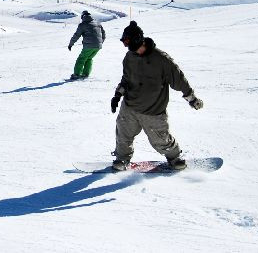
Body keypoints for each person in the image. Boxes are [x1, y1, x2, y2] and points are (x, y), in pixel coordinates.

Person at [109, 21, 204, 171]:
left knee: (161, 140)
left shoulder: (161, 59)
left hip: (153, 110)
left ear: (136, 39)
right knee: (123, 135)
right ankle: (122, 159)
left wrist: (192, 99)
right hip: (130, 106)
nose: (126, 46)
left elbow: (178, 79)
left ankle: (174, 158)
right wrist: (117, 95)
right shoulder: (129, 57)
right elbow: (126, 79)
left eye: (127, 41)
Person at [67, 10, 106, 79]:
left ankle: (76, 74)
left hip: (89, 46)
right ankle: (85, 74)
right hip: (98, 46)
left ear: (82, 17)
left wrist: (70, 44)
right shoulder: (97, 23)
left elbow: (76, 35)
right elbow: (103, 34)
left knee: (81, 59)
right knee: (89, 58)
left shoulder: (83, 25)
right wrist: (100, 42)